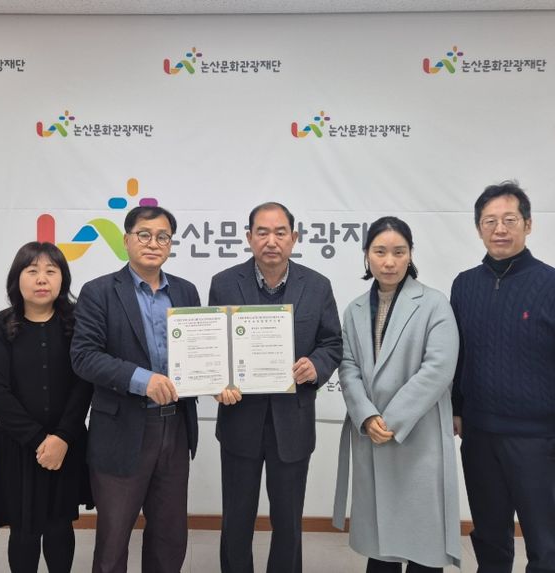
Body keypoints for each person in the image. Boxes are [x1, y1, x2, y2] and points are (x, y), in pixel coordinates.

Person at [208, 202, 342, 573]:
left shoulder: (317, 285)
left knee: (288, 522)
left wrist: (315, 365)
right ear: (248, 237)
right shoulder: (224, 283)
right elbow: (214, 347)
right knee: (237, 519)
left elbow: (332, 343)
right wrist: (218, 381)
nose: (271, 241)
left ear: (293, 238)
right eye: (262, 232)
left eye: (280, 232)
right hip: (239, 420)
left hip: (292, 422)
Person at [70, 205, 200, 573]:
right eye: (144, 234)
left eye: (163, 237)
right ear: (126, 240)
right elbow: (84, 357)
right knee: (113, 540)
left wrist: (218, 379)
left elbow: (199, 352)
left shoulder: (186, 291)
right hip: (122, 429)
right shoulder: (99, 292)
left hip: (175, 427)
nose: (153, 243)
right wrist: (143, 380)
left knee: (170, 536)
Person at [332, 216, 461, 572]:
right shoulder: (355, 309)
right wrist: (366, 415)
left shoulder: (434, 303)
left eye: (398, 252)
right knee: (381, 545)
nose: (389, 261)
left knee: (423, 540)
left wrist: (391, 419)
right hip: (372, 432)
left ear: (410, 255)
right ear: (366, 255)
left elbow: (438, 368)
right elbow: (348, 367)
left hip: (418, 434)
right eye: (380, 251)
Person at [451, 181, 555, 572]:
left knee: (546, 544)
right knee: (490, 540)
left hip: (538, 439)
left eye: (510, 220)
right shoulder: (464, 285)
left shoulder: (550, 284)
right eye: (490, 221)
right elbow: (457, 354)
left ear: (528, 224)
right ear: (478, 228)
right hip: (479, 434)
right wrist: (456, 408)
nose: (500, 229)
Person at [0, 242, 92, 572]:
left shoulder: (78, 324)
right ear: (17, 278)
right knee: (24, 528)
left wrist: (62, 437)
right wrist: (39, 440)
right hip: (18, 445)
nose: (42, 279)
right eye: (32, 271)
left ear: (62, 279)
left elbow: (85, 383)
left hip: (67, 442)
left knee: (60, 524)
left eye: (51, 271)